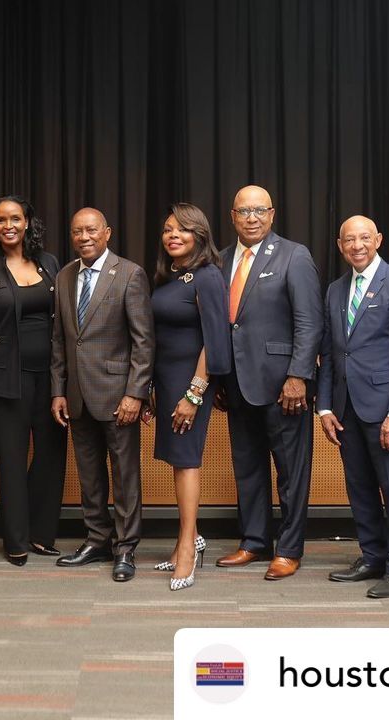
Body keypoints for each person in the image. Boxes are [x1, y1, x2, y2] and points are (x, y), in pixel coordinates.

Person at [215, 185, 322, 581]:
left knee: (291, 471)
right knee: (248, 467)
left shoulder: (295, 255)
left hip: (283, 385)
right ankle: (254, 541)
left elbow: (309, 322)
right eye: (244, 211)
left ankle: (289, 549)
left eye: (260, 210)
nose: (252, 218)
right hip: (237, 383)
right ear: (233, 216)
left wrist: (298, 376)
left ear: (272, 214)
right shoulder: (222, 259)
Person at [317, 215, 389, 598]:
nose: (357, 245)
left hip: (385, 411)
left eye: (364, 238)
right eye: (349, 239)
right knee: (359, 487)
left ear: (378, 239)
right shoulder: (334, 289)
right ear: (340, 245)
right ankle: (372, 556)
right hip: (345, 409)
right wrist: (325, 406)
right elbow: (330, 352)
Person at [51, 207, 154, 582]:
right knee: (89, 475)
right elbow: (60, 341)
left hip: (118, 396)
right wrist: (57, 391)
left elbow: (144, 341)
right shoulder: (64, 276)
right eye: (77, 231)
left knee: (125, 474)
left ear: (107, 233)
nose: (84, 237)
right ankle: (96, 539)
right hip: (76, 396)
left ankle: (125, 548)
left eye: (91, 230)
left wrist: (136, 394)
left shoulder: (129, 274)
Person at [0, 195, 66, 566]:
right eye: (0, 220)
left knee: (51, 456)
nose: (8, 225)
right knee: (10, 459)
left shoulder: (49, 263)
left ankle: (42, 535)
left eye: (15, 219)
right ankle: (16, 539)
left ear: (28, 223)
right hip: (6, 379)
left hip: (51, 378)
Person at [143, 203, 230, 590]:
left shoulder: (208, 277)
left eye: (182, 229)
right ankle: (190, 537)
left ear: (200, 235)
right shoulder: (169, 277)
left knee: (187, 460)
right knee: (178, 462)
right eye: (167, 229)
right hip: (166, 381)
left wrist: (194, 394)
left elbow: (214, 339)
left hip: (192, 383)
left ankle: (186, 548)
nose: (173, 235)